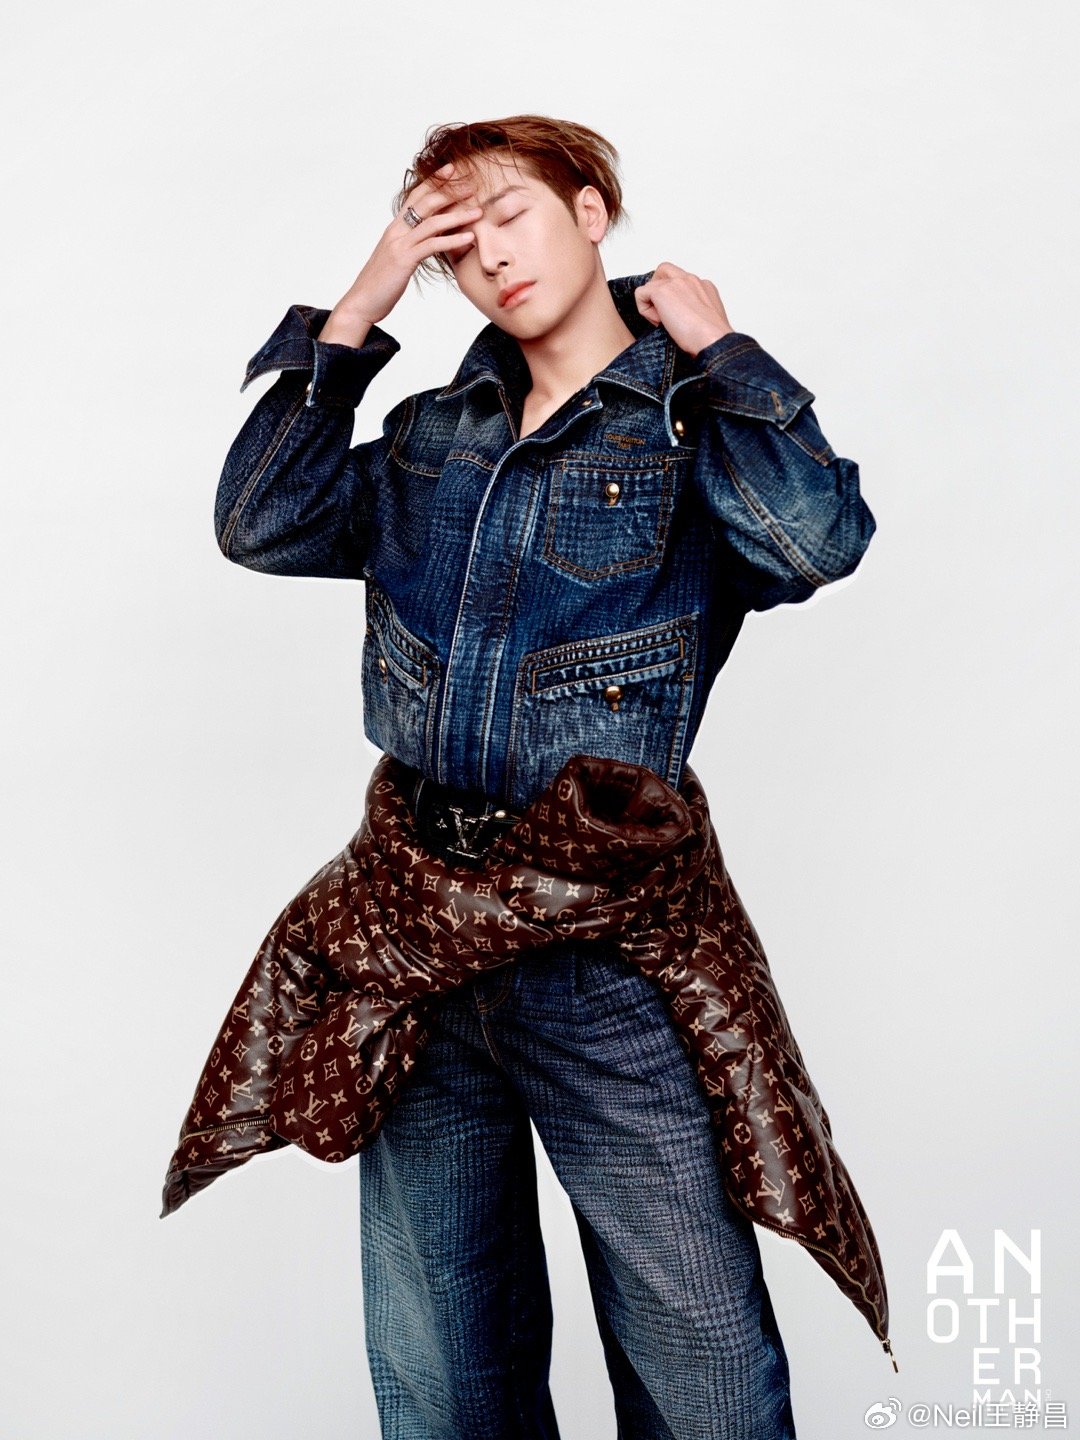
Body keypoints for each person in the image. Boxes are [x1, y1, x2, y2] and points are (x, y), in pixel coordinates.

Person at [214, 114, 875, 1440]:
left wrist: (725, 354)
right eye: (455, 246)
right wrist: (363, 301)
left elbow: (815, 543)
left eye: (508, 215)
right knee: (443, 1363)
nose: (491, 260)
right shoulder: (430, 441)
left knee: (700, 1365)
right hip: (413, 935)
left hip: (608, 951)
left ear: (589, 210)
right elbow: (260, 522)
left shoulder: (689, 434)